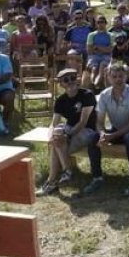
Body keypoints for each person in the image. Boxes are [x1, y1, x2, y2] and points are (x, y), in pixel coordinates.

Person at [37, 68, 101, 196]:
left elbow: (83, 122)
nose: (70, 81)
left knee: (58, 143)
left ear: (77, 79)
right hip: (69, 129)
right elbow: (54, 123)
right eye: (66, 80)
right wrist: (51, 136)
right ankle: (66, 171)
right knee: (56, 137)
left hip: (88, 131)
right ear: (61, 84)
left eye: (73, 77)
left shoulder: (87, 95)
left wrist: (66, 135)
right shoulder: (61, 100)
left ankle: (52, 182)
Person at [95, 64, 129, 196]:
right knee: (92, 138)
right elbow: (99, 122)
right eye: (114, 76)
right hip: (117, 129)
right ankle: (97, 177)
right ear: (109, 78)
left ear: (126, 77)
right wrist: (102, 134)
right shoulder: (104, 95)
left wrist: (110, 137)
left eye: (121, 76)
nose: (118, 79)